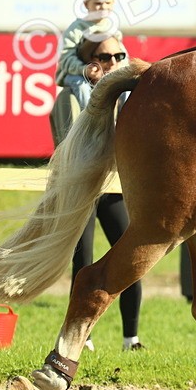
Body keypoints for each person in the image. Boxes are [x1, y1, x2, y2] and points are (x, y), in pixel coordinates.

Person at [51, 32, 145, 351]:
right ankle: (83, 338)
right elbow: (67, 146)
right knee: (85, 264)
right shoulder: (70, 95)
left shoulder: (132, 96)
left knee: (132, 261)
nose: (115, 63)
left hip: (117, 187)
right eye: (106, 58)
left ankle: (131, 338)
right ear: (90, 64)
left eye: (120, 57)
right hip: (83, 189)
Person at [55, 0, 118, 109]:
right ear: (86, 4)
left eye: (107, 3)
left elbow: (122, 57)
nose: (103, 7)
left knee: (124, 86)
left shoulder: (113, 30)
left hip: (104, 74)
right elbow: (66, 58)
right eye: (98, 3)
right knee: (83, 86)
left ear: (113, 3)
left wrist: (119, 68)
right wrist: (85, 70)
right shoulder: (76, 29)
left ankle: (122, 122)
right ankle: (90, 122)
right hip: (75, 74)